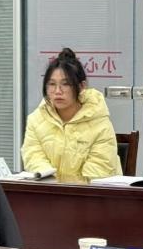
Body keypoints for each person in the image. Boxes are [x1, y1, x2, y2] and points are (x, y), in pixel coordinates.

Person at [21, 48, 122, 183]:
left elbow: (98, 174)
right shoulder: (36, 120)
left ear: (81, 86)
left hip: (90, 194)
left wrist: (64, 192)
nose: (57, 91)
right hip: (48, 192)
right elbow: (34, 160)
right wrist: (51, 187)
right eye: (52, 84)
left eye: (66, 84)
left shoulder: (100, 123)